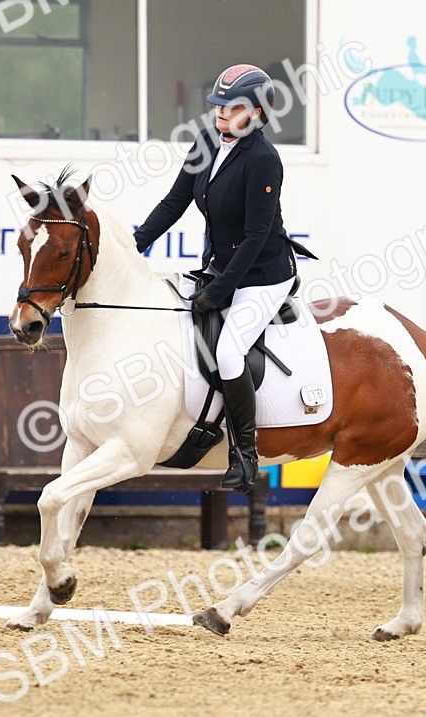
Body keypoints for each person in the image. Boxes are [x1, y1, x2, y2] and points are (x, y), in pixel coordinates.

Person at [133, 64, 297, 494]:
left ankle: (245, 455)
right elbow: (174, 203)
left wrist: (222, 290)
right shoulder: (206, 142)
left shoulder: (263, 160)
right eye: (219, 105)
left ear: (258, 113)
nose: (221, 113)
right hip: (221, 267)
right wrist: (132, 246)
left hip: (263, 276)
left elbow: (257, 236)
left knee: (227, 352)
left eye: (233, 107)